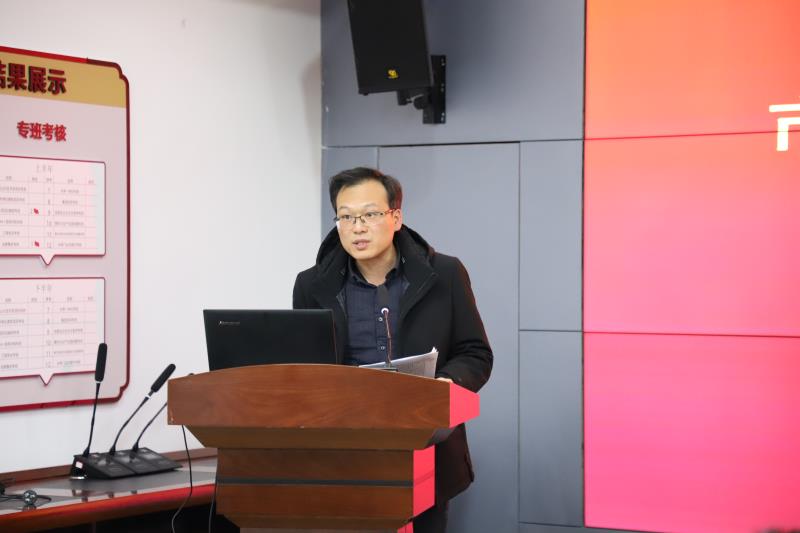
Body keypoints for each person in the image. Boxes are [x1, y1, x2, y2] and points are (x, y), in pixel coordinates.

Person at [292, 167, 493, 532]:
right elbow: (304, 370)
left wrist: (445, 385)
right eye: (346, 216)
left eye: (370, 214)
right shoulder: (311, 285)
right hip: (340, 455)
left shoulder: (444, 274)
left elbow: (475, 353)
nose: (358, 227)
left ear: (395, 217)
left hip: (423, 447)